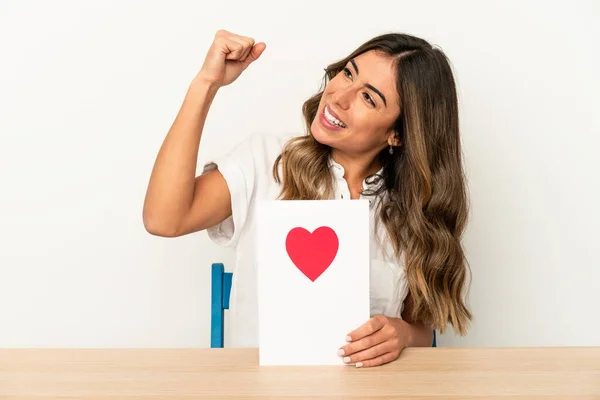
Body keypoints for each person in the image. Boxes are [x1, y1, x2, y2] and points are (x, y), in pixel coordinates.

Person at [143, 29, 472, 367]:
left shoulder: (411, 212)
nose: (339, 97)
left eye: (368, 98)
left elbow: (423, 328)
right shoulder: (268, 162)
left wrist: (402, 333)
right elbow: (164, 219)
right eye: (348, 73)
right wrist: (205, 84)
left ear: (398, 134)